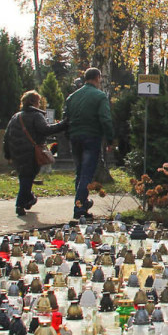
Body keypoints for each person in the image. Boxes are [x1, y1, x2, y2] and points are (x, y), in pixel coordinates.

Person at [3, 90, 67, 217]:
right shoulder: (36, 116)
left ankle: (28, 200)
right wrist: (63, 124)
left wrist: (8, 154)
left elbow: (6, 136)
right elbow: (45, 130)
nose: (39, 104)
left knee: (24, 177)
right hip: (31, 152)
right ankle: (21, 204)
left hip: (17, 152)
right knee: (28, 177)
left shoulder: (16, 116)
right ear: (33, 102)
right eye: (38, 101)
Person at [63, 67, 113, 220]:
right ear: (97, 78)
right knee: (87, 172)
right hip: (91, 137)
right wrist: (110, 139)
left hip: (75, 137)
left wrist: (69, 136)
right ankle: (79, 207)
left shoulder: (71, 97)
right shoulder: (100, 96)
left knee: (79, 172)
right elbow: (105, 119)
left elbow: (65, 119)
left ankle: (83, 203)